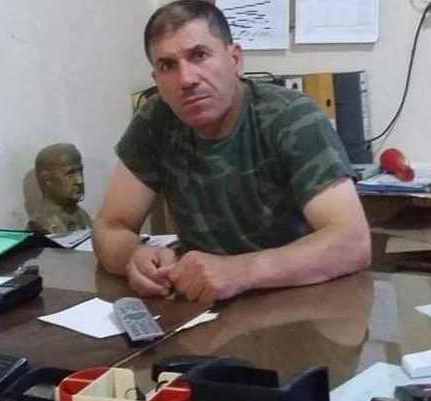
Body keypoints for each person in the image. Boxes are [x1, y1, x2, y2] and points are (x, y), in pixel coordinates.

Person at [93, 0, 370, 302]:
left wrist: (240, 271)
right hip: (205, 306)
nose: (186, 79)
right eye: (167, 65)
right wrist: (133, 256)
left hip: (301, 301)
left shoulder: (290, 118)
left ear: (235, 59)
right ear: (156, 79)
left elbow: (352, 242)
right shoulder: (156, 119)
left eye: (199, 55)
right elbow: (110, 225)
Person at [28, 143, 92, 234]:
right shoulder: (41, 224)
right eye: (70, 173)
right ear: (47, 179)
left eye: (80, 171)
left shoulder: (83, 216)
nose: (80, 181)